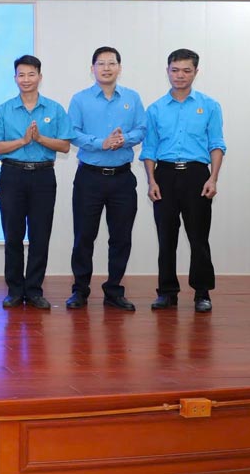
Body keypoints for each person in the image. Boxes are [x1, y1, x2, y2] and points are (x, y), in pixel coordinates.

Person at [141, 48, 226, 313]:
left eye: (186, 70)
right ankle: (167, 292)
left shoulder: (210, 106)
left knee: (198, 237)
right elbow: (149, 149)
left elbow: (217, 144)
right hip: (164, 175)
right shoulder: (155, 109)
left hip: (197, 175)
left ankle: (202, 292)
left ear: (196, 72)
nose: (180, 75)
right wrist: (151, 181)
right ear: (167, 71)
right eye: (175, 70)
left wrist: (213, 178)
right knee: (166, 237)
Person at [0, 55, 73, 309]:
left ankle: (34, 290)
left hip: (44, 176)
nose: (26, 79)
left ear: (40, 77)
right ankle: (14, 290)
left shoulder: (55, 109)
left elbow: (65, 145)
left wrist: (40, 139)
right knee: (12, 235)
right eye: (21, 75)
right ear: (15, 78)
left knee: (40, 235)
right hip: (12, 175)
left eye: (31, 74)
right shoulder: (3, 110)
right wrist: (23, 142)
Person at [66, 46, 146, 311]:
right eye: (101, 64)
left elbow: (142, 128)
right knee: (84, 237)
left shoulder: (132, 98)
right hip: (89, 178)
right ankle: (80, 290)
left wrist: (125, 140)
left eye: (112, 63)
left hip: (122, 179)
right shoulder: (80, 99)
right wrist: (102, 143)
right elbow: (73, 133)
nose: (106, 68)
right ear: (92, 69)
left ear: (119, 68)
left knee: (121, 237)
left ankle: (114, 290)